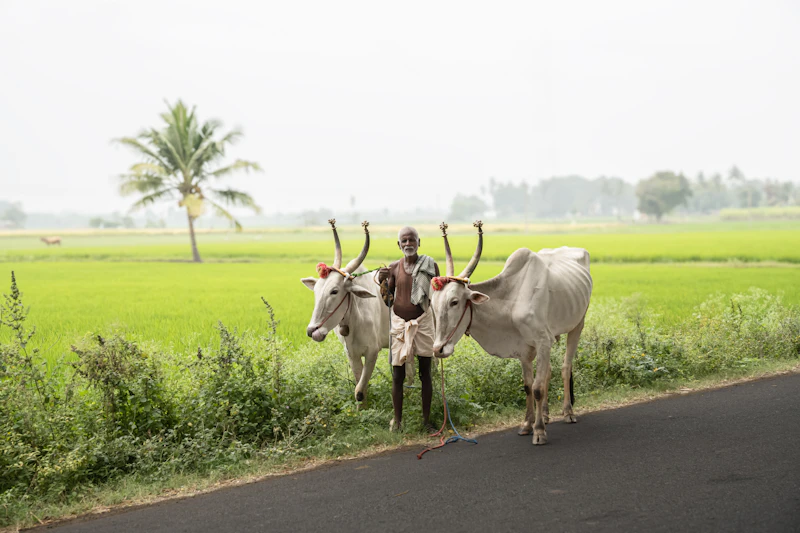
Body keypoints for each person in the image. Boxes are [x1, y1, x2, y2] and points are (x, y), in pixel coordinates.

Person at [378, 226, 440, 432]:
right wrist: (383, 282)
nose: (408, 244)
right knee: (397, 375)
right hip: (399, 325)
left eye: (411, 240)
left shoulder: (431, 265)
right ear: (398, 244)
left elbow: (438, 295)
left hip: (423, 323)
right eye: (404, 241)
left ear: (419, 242)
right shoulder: (394, 267)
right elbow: (388, 300)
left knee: (426, 373)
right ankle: (397, 422)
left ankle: (426, 422)